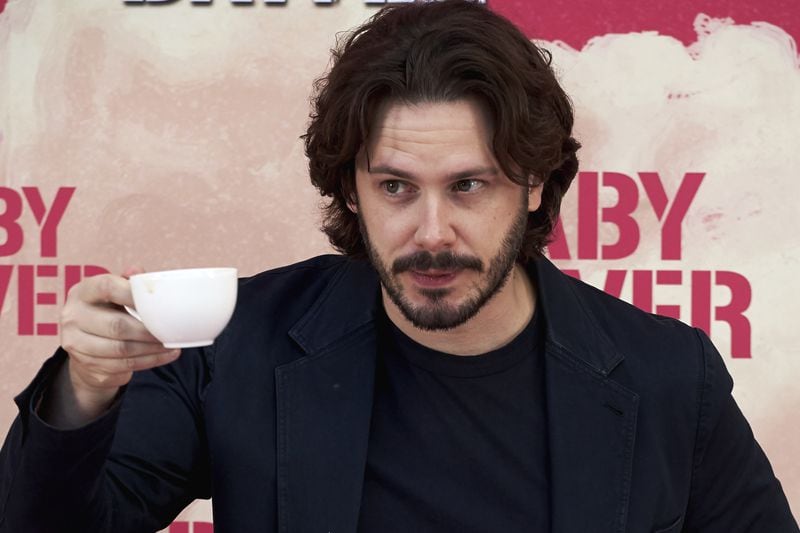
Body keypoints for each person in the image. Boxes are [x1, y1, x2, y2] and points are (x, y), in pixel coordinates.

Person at [1, 1, 797, 531]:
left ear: (533, 186)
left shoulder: (667, 376)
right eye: (395, 187)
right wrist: (83, 390)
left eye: (468, 185)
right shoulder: (237, 348)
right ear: (351, 191)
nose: (431, 231)